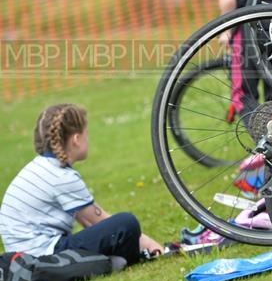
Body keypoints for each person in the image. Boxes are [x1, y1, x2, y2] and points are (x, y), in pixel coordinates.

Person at [0, 103, 163, 265]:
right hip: (42, 258)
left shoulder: (42, 167)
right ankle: (128, 258)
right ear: (76, 139)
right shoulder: (62, 177)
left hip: (23, 259)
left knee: (117, 228)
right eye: (86, 134)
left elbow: (87, 220)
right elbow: (97, 221)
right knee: (126, 223)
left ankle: (112, 261)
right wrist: (151, 245)